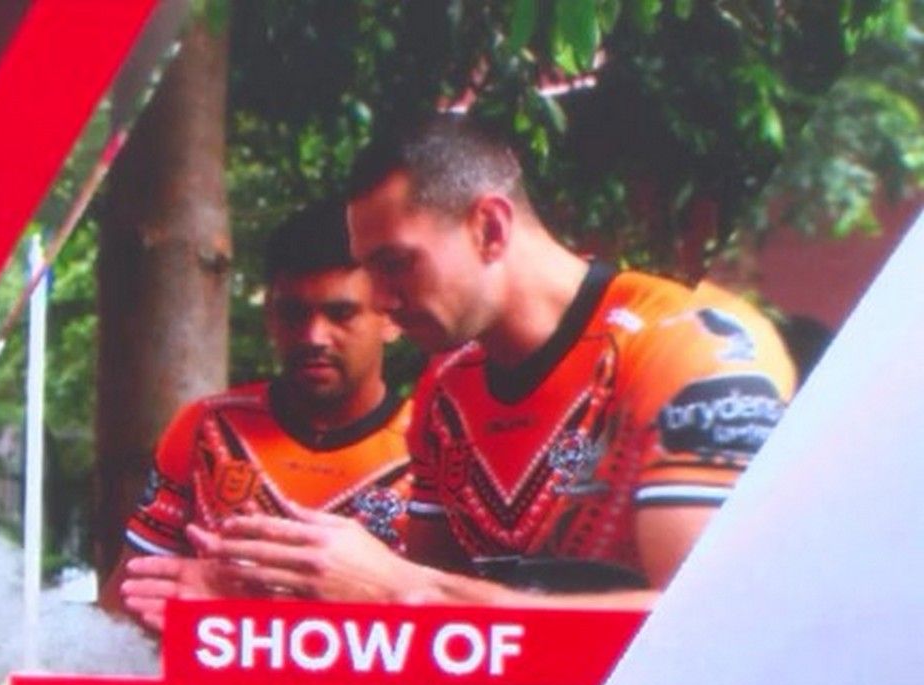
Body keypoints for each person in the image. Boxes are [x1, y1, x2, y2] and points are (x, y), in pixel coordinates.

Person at [174, 115, 798, 611]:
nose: (381, 301)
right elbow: (429, 624)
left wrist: (408, 589)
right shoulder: (448, 389)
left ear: (491, 229)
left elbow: (711, 619)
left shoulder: (695, 349)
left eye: (396, 264)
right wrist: (272, 597)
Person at [108, 200, 414, 634]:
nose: (314, 336)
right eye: (293, 313)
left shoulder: (434, 448)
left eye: (341, 313)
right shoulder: (206, 429)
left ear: (391, 318)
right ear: (270, 314)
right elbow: (122, 606)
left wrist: (248, 608)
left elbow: (464, 628)